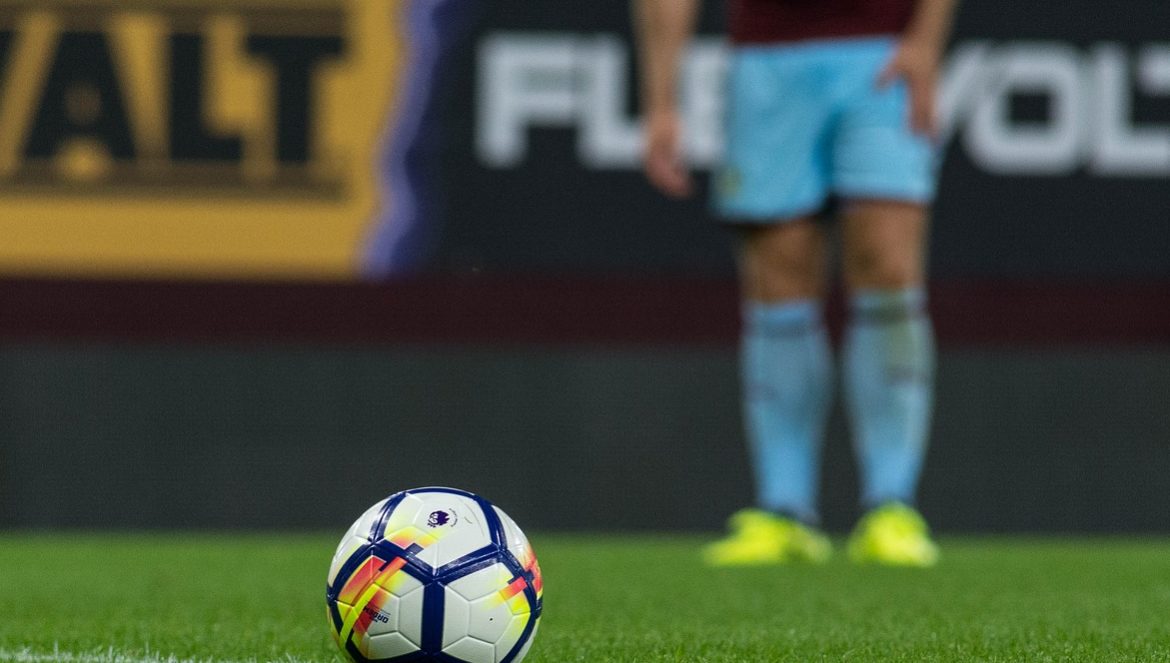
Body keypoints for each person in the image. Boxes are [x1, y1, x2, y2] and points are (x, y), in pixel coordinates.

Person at [634, 0, 958, 566]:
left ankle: (893, 504)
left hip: (882, 50)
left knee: (887, 262)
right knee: (777, 275)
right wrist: (661, 100)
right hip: (766, 59)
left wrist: (927, 40)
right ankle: (785, 510)